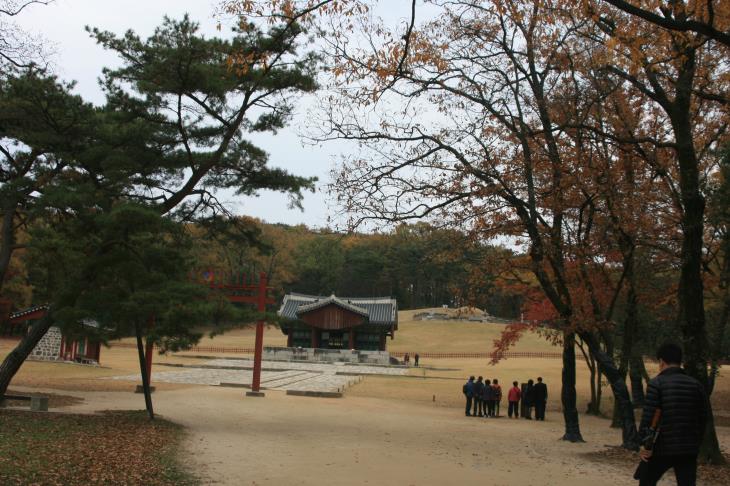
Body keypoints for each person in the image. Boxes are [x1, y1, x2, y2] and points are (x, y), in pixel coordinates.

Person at [637, 343, 708, 486]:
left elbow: (649, 417)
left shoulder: (656, 383)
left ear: (661, 361)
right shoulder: (696, 385)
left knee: (646, 482)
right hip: (689, 448)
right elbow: (703, 418)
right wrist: (696, 442)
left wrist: (644, 445)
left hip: (662, 447)